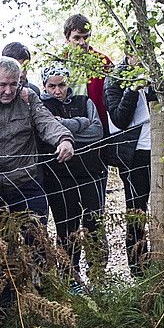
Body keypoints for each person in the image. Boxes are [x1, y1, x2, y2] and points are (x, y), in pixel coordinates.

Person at [105, 49, 164, 274]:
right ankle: (139, 269)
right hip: (134, 153)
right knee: (136, 211)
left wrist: (155, 87)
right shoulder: (115, 79)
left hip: (162, 149)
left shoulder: (158, 75)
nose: (143, 57)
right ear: (129, 54)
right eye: (138, 53)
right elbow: (119, 120)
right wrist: (132, 87)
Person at [0, 56, 75, 223]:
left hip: (26, 183)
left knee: (37, 242)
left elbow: (46, 121)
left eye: (14, 84)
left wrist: (64, 140)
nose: (9, 90)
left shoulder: (27, 98)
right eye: (2, 85)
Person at [39, 65, 106, 285]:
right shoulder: (42, 106)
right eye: (52, 86)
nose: (57, 91)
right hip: (59, 176)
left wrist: (64, 126)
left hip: (91, 172)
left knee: (94, 224)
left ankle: (98, 275)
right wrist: (81, 124)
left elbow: (97, 131)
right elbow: (47, 134)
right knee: (66, 228)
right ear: (44, 86)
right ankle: (70, 277)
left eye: (61, 85)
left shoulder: (84, 101)